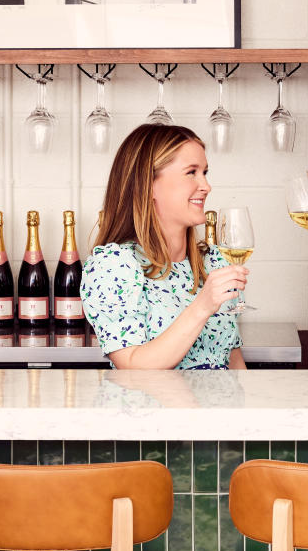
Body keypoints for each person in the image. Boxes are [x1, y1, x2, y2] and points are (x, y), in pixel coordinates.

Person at [81, 124, 247, 370]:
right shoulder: (114, 266)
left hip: (219, 408)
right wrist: (202, 306)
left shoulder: (214, 263)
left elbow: (232, 361)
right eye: (191, 172)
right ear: (148, 185)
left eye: (205, 172)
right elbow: (133, 367)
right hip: (156, 410)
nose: (206, 186)